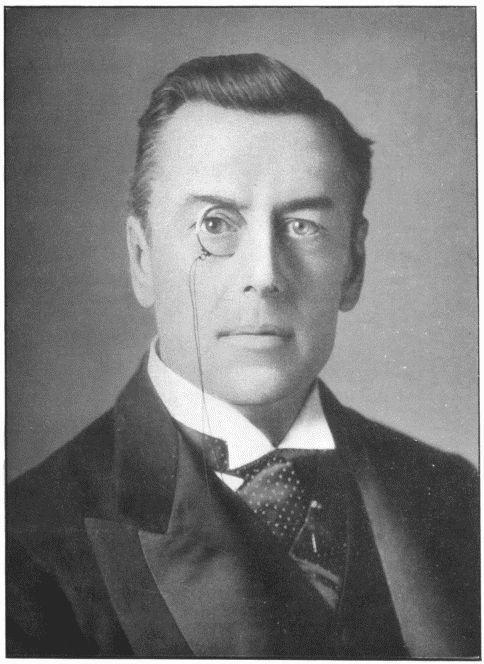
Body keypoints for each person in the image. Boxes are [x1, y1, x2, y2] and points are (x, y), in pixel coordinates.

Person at [7, 53, 479, 658]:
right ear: (142, 258)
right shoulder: (25, 541)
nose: (265, 274)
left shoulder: (453, 493)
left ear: (354, 265)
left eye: (303, 225)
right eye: (215, 224)